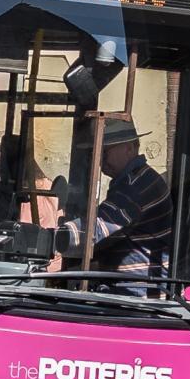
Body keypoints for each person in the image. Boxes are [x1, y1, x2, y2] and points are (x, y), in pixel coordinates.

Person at [63, 116, 172, 288]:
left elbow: (97, 228)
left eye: (104, 152)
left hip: (137, 293)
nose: (100, 161)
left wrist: (53, 237)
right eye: (97, 154)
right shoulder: (138, 178)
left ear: (129, 148)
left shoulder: (136, 185)